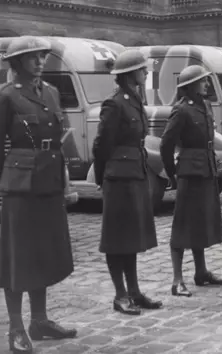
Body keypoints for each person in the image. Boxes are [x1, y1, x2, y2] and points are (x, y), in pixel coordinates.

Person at [0, 36, 77, 354]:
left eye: (42, 56)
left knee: (44, 251)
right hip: (18, 188)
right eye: (32, 57)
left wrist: (67, 182)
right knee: (18, 257)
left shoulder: (51, 93)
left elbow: (58, 140)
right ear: (16, 63)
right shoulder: (6, 97)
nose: (40, 61)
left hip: (49, 183)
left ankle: (40, 321)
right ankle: (16, 327)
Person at [93, 49, 161, 316]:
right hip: (118, 177)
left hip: (134, 173)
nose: (146, 73)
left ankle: (134, 291)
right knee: (116, 237)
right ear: (131, 73)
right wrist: (102, 178)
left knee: (131, 236)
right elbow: (101, 146)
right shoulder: (115, 104)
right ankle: (120, 294)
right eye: (143, 69)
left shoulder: (134, 100)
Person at [160, 65, 222, 291]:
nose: (207, 84)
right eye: (203, 81)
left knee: (201, 222)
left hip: (206, 168)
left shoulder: (205, 105)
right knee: (183, 224)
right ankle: (177, 279)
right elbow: (166, 144)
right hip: (189, 171)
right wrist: (172, 174)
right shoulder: (181, 110)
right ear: (190, 86)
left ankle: (201, 271)